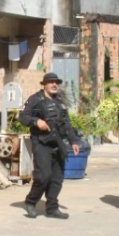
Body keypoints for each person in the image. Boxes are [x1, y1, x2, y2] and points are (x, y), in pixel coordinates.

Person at [20, 72, 82, 219]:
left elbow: (66, 124)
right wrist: (36, 122)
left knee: (57, 178)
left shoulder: (59, 102)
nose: (54, 84)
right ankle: (31, 201)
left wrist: (73, 141)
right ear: (44, 84)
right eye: (51, 82)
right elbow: (23, 117)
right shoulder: (36, 99)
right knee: (43, 176)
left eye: (56, 82)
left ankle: (52, 208)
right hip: (42, 143)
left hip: (58, 143)